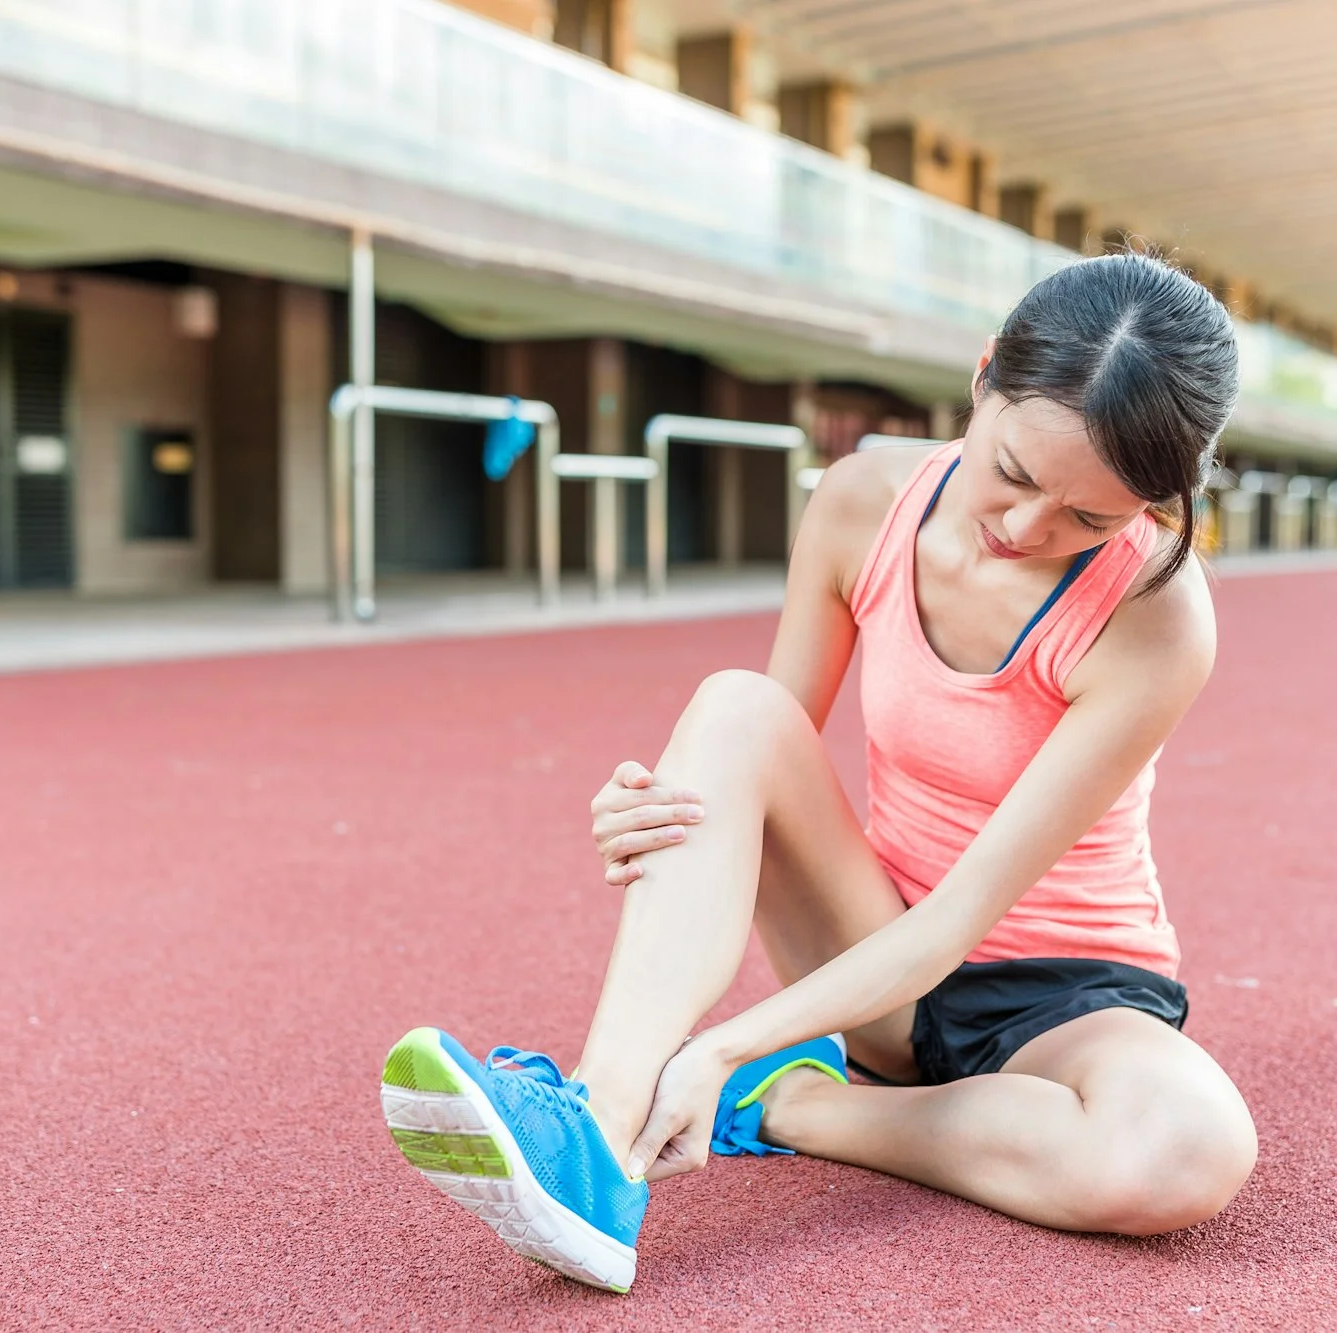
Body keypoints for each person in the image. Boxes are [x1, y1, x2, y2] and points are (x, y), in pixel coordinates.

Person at [378, 253, 1258, 1293]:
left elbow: (962, 919)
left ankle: (796, 1104)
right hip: (871, 941)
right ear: (981, 380)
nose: (1025, 530)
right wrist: (656, 811)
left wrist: (720, 1050)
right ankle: (595, 1133)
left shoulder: (1155, 616)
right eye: (1012, 473)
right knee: (735, 704)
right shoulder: (859, 503)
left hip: (1066, 999)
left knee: (1185, 1148)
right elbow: (759, 757)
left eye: (1090, 518)